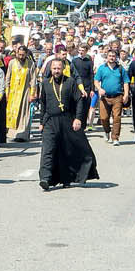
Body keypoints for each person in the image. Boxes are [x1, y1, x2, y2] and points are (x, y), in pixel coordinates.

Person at [37, 56, 99, 190]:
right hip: (50, 120)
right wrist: (41, 121)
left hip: (67, 119)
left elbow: (79, 101)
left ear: (63, 69)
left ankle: (67, 178)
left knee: (67, 149)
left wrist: (78, 118)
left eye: (59, 68)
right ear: (50, 69)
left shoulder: (70, 82)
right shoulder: (46, 83)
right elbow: (43, 104)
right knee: (48, 149)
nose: (56, 71)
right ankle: (45, 178)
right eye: (54, 68)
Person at [95, 47, 129, 145]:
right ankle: (107, 131)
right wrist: (99, 88)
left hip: (117, 96)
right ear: (107, 57)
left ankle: (115, 138)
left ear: (116, 57)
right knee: (104, 117)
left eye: (113, 56)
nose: (111, 58)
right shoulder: (102, 68)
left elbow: (126, 82)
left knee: (117, 117)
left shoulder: (120, 68)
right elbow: (96, 80)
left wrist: (126, 94)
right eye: (110, 56)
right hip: (105, 97)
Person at [4, 43, 36, 142]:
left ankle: (22, 134)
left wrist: (32, 94)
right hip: (13, 92)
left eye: (23, 55)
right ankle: (12, 134)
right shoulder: (12, 63)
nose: (21, 57)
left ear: (26, 54)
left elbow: (33, 80)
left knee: (23, 113)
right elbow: (7, 78)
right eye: (19, 54)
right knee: (12, 113)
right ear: (16, 53)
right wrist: (7, 92)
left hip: (25, 92)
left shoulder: (30, 64)